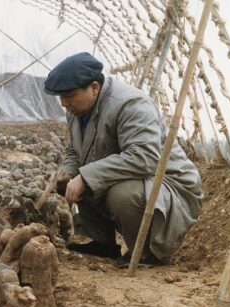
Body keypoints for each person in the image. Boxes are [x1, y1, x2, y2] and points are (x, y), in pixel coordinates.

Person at [43, 52, 202, 267]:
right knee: (81, 178)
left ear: (94, 88)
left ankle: (149, 253)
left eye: (69, 95)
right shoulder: (76, 109)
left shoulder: (130, 104)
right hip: (138, 177)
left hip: (168, 184)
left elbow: (144, 157)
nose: (64, 103)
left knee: (118, 192)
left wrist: (85, 178)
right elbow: (76, 150)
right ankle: (104, 243)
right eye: (60, 97)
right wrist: (67, 172)